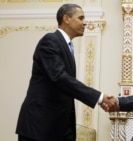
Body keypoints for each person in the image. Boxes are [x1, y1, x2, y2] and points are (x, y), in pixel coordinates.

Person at [16, 3, 117, 141]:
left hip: (59, 128)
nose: (85, 22)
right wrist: (99, 98)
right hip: (40, 127)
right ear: (66, 18)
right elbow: (60, 78)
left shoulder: (67, 46)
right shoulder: (50, 40)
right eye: (81, 18)